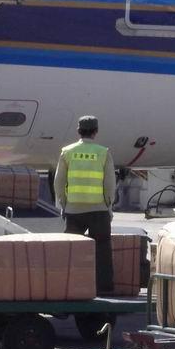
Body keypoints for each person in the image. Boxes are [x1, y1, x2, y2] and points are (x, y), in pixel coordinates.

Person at [54, 115, 116, 294]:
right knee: (102, 249)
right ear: (96, 132)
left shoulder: (67, 152)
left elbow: (59, 182)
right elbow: (109, 184)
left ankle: (71, 286)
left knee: (73, 250)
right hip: (98, 210)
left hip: (74, 210)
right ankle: (104, 288)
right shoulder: (103, 152)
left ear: (78, 131)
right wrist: (108, 205)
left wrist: (64, 203)